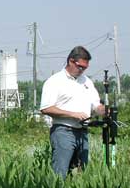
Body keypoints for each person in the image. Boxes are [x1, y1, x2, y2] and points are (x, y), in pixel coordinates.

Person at [40, 46, 105, 179]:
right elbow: (46, 108)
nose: (82, 70)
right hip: (63, 131)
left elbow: (95, 105)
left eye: (85, 68)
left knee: (81, 172)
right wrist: (73, 114)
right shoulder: (55, 81)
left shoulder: (86, 81)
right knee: (60, 172)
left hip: (83, 132)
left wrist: (103, 110)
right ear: (71, 61)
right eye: (80, 66)